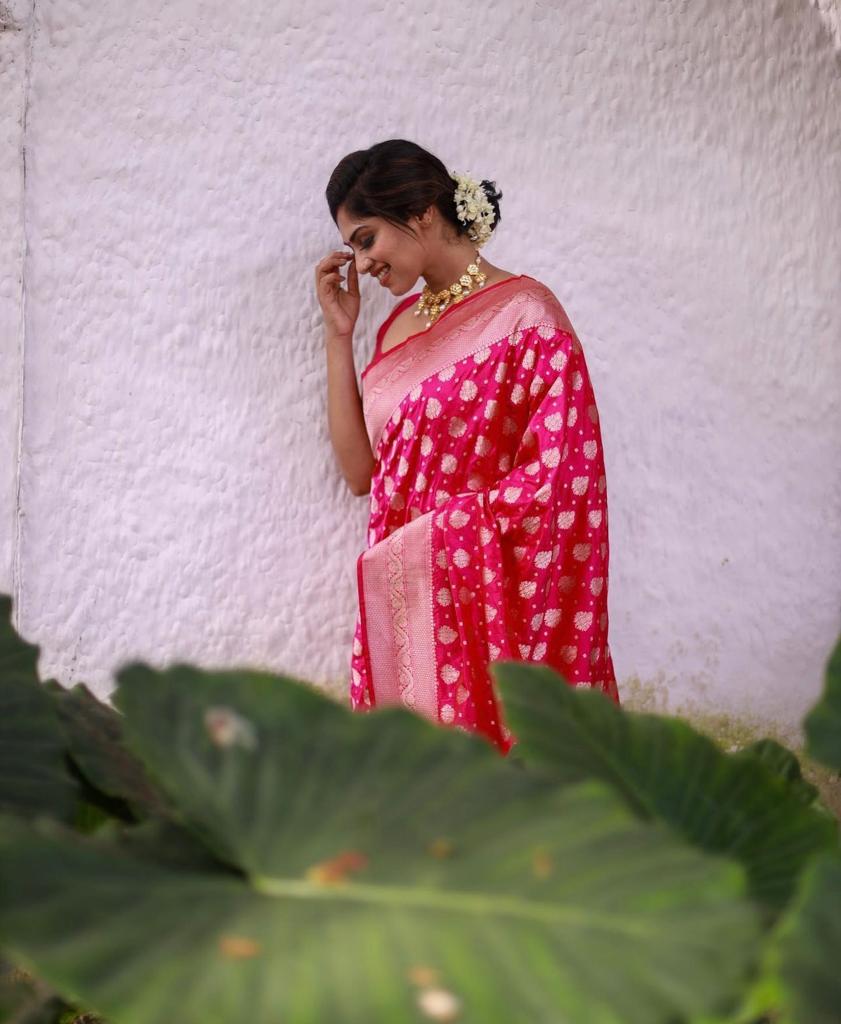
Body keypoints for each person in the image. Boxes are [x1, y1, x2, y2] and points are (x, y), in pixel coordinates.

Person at [315, 139, 619, 756]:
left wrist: (446, 533)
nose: (361, 262)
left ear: (424, 211)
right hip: (409, 606)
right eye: (351, 246)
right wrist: (339, 336)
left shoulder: (526, 316)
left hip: (489, 608)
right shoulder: (394, 328)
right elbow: (359, 474)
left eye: (366, 238)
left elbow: (564, 480)